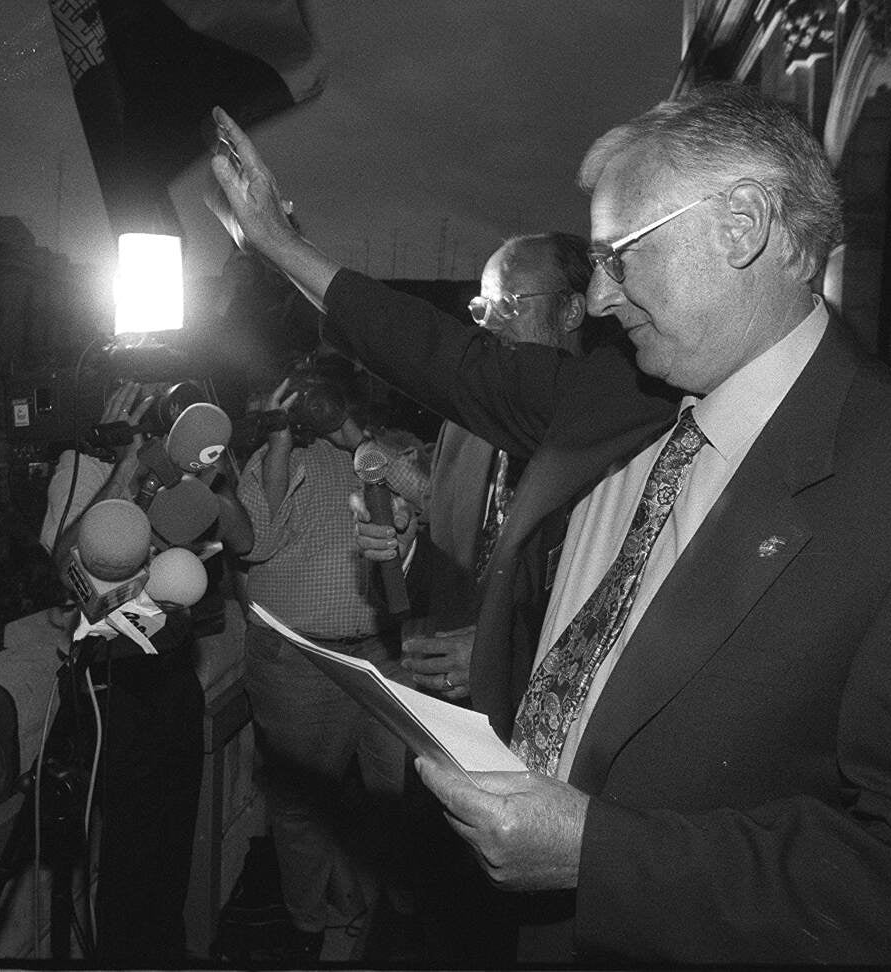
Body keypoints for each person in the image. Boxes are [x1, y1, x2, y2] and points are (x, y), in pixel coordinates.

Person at [203, 83, 891, 966]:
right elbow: (442, 357)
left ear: (742, 225)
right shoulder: (618, 392)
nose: (600, 299)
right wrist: (281, 246)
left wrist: (602, 854)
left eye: (619, 256)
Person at [353, 232, 598, 966]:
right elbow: (450, 564)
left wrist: (500, 652)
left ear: (574, 311)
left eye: (507, 305)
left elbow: (610, 609)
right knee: (438, 923)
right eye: (478, 305)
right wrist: (400, 553)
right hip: (443, 737)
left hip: (544, 761)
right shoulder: (464, 422)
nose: (484, 324)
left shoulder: (609, 435)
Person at [39, 380, 252, 965]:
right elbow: (67, 568)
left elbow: (244, 538)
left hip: (174, 684)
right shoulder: (108, 481)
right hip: (115, 690)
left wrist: (210, 473)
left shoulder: (196, 490)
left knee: (172, 845)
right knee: (129, 854)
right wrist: (126, 468)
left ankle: (164, 952)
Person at [235, 358, 428, 964]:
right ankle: (307, 926)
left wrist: (354, 435)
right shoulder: (276, 459)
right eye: (302, 395)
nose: (312, 404)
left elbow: (433, 506)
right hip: (296, 661)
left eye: (322, 393)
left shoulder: (385, 452)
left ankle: (394, 922)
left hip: (383, 654)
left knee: (397, 794)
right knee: (302, 807)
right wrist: (277, 436)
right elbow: (257, 539)